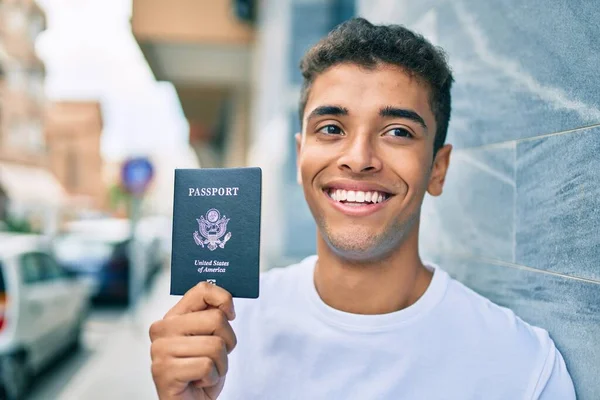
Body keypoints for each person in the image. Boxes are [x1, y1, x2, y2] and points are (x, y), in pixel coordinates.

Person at [149, 18, 575, 400]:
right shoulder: (220, 336)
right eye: (331, 128)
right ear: (301, 158)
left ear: (437, 169)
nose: (358, 157)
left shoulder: (523, 368)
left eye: (397, 131)